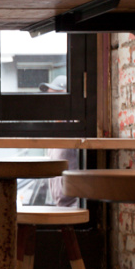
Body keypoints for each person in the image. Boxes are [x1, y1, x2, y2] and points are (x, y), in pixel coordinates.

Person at [39, 75, 80, 207]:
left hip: (74, 204)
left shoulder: (74, 127)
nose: (51, 102)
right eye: (50, 97)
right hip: (61, 205)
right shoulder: (56, 130)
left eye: (56, 96)